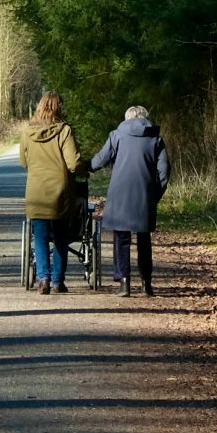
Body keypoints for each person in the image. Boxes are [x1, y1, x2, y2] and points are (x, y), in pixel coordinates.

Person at [90, 104, 170, 297]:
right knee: (144, 239)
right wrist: (154, 195)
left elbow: (100, 160)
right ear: (145, 118)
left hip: (120, 193)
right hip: (145, 194)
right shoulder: (155, 139)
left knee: (121, 237)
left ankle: (124, 282)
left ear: (127, 119)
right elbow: (164, 172)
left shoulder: (116, 135)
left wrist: (86, 166)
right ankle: (146, 284)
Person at [19, 91, 84, 295]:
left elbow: (23, 161)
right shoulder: (64, 131)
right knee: (60, 237)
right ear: (58, 108)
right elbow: (73, 163)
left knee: (39, 237)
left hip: (36, 190)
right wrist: (83, 170)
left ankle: (43, 278)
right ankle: (57, 281)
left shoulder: (27, 132)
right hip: (60, 193)